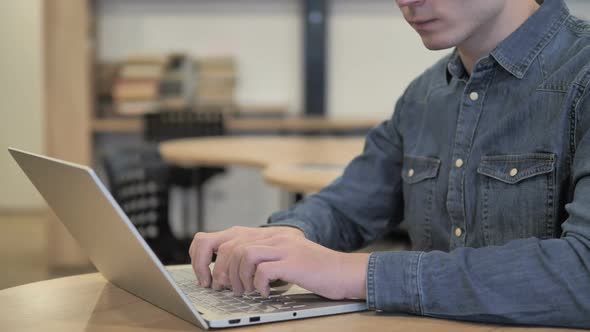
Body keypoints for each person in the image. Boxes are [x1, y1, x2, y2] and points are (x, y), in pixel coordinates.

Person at [188, 0, 590, 328]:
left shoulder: (582, 78)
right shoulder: (423, 97)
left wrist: (356, 274)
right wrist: (280, 241)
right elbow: (349, 204)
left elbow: (583, 273)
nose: (406, 1)